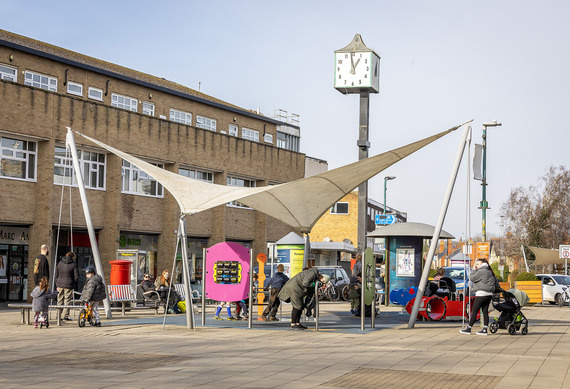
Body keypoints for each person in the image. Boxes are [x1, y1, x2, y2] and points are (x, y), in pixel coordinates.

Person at [460, 259, 499, 336]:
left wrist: (474, 270)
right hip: (489, 295)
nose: (476, 265)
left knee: (474, 311)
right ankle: (484, 329)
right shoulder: (490, 271)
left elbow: (472, 278)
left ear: (482, 264)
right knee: (485, 312)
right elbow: (496, 284)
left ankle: (469, 328)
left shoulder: (481, 271)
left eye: (478, 264)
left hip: (481, 294)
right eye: (476, 264)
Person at [54, 251, 79, 321]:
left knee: (60, 300)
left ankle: (58, 315)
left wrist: (57, 282)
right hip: (69, 284)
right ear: (73, 257)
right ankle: (65, 316)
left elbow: (56, 274)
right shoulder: (73, 264)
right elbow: (76, 276)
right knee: (67, 300)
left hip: (59, 284)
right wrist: (74, 284)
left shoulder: (60, 263)